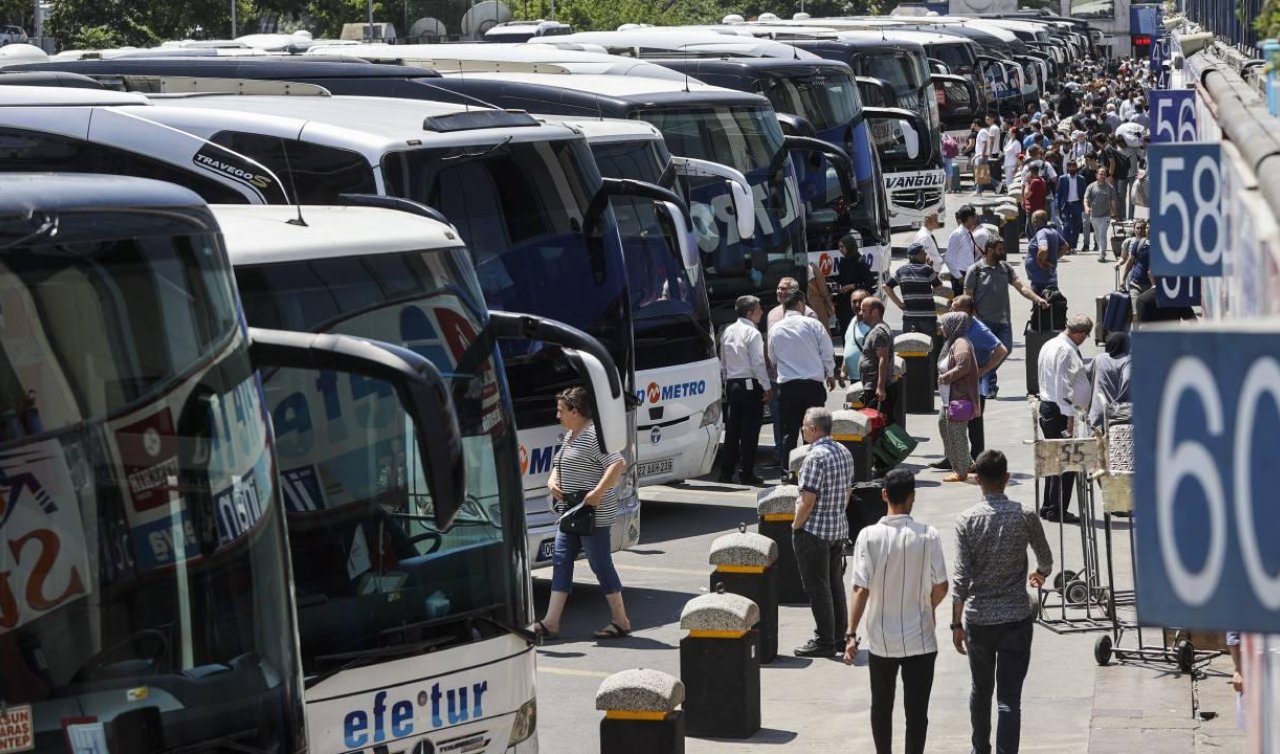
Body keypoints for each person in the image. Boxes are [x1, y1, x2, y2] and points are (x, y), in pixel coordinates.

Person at [951, 450, 1054, 754]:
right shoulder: (1025, 515)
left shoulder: (966, 521)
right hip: (1016, 618)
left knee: (981, 690)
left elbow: (960, 578)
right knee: (1009, 698)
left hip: (979, 619)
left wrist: (956, 623)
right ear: (1007, 478)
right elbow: (1045, 559)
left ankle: (979, 748)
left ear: (977, 480)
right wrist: (1039, 574)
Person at [844, 469, 949, 754]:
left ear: (884, 495)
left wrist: (851, 633)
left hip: (881, 640)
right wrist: (928, 606)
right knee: (917, 713)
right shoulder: (928, 535)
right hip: (922, 640)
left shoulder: (868, 536)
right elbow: (941, 587)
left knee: (881, 706)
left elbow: (860, 589)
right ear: (913, 497)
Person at [534, 387, 631, 640]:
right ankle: (551, 622)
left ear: (574, 411)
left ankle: (621, 620)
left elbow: (617, 463)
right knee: (560, 560)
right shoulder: (570, 435)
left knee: (599, 563)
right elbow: (558, 463)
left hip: (592, 513)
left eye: (561, 410)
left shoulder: (594, 434)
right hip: (572, 511)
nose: (558, 416)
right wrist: (552, 480)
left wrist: (597, 493)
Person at [792, 407, 854, 657]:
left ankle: (825, 641)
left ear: (814, 429)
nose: (803, 429)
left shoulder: (814, 457)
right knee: (835, 585)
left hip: (815, 531)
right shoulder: (844, 451)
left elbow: (807, 500)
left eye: (805, 426)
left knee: (818, 588)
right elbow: (848, 491)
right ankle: (839, 637)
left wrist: (797, 525)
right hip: (838, 528)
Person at [966, 237, 1050, 398]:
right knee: (986, 354)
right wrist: (975, 319)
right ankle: (988, 386)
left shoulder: (1005, 268)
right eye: (999, 249)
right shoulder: (975, 270)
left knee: (1005, 350)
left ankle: (984, 375)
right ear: (989, 250)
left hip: (1004, 321)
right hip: (983, 322)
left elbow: (1021, 287)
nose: (1002, 252)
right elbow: (968, 297)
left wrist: (1037, 299)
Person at [1036, 314, 1094, 524]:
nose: (1085, 339)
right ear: (1079, 333)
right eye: (1085, 335)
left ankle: (1049, 506)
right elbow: (1063, 387)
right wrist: (1070, 419)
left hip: (1050, 407)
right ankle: (1057, 509)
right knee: (1067, 462)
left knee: (1054, 460)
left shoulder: (1050, 344)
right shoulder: (1066, 351)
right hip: (1060, 411)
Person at [768, 289, 836, 463]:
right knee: (814, 431)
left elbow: (772, 358)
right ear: (800, 304)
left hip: (788, 387)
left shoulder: (776, 328)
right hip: (812, 386)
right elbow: (827, 352)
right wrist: (830, 373)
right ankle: (811, 466)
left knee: (788, 432)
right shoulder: (813, 324)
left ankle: (786, 472)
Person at [947, 296, 1008, 463]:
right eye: (952, 308)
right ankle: (952, 457)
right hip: (957, 383)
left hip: (975, 386)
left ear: (971, 312)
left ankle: (976, 459)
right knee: (952, 421)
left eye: (957, 309)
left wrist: (984, 370)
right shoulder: (957, 325)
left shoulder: (979, 330)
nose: (953, 312)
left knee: (974, 425)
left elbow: (1001, 350)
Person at [717, 295, 770, 484]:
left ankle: (726, 472)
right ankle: (746, 473)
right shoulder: (752, 333)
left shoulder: (727, 331)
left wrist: (725, 384)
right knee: (750, 431)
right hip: (749, 384)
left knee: (732, 431)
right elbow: (757, 362)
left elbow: (722, 362)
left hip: (733, 384)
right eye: (758, 309)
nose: (761, 313)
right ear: (750, 312)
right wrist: (766, 386)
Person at [766, 277, 817, 466]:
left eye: (785, 290)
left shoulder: (809, 316)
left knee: (804, 422)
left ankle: (805, 459)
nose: (780, 292)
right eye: (778, 288)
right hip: (777, 377)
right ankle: (782, 456)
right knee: (780, 421)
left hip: (803, 378)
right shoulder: (772, 314)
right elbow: (770, 346)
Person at [935, 312, 981, 482]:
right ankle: (966, 463)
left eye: (943, 324)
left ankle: (961, 471)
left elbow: (963, 366)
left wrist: (946, 377)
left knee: (957, 434)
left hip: (958, 399)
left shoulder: (961, 344)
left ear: (952, 325)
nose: (941, 328)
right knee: (945, 427)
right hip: (949, 398)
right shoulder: (953, 342)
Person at [883, 242, 947, 336]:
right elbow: (939, 288)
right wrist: (931, 267)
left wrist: (899, 304)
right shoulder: (927, 269)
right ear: (916, 255)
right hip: (928, 317)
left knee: (910, 346)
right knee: (929, 346)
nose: (926, 254)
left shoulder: (901, 270)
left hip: (910, 317)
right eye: (923, 252)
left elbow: (886, 286)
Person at [857, 296, 897, 417]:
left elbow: (883, 359)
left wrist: (880, 388)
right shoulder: (878, 329)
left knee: (875, 426)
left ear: (874, 312)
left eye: (863, 310)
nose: (860, 313)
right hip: (872, 385)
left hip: (875, 388)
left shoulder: (878, 332)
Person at [834, 234, 878, 334]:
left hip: (857, 304)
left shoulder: (860, 262)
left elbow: (869, 283)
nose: (840, 250)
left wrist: (853, 286)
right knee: (846, 332)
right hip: (844, 304)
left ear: (849, 246)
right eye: (839, 247)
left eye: (842, 247)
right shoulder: (843, 262)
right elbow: (842, 280)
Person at [1089, 331, 1131, 430]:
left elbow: (1085, 373)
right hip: (1114, 417)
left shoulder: (1099, 358)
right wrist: (1118, 403)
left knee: (1094, 444)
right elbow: (1127, 380)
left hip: (1096, 414)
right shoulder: (1128, 361)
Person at [1025, 211, 1070, 297]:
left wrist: (1042, 262)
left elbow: (1043, 249)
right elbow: (1065, 246)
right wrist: (1055, 257)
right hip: (1050, 278)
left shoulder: (1041, 233)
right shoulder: (1053, 231)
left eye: (1034, 220)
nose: (1033, 223)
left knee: (1040, 306)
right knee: (1051, 305)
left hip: (1040, 281)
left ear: (1037, 221)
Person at [945, 205, 983, 298]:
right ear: (970, 218)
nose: (976, 219)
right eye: (974, 217)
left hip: (968, 274)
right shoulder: (957, 234)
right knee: (962, 307)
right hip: (960, 276)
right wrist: (959, 277)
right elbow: (948, 259)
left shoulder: (967, 233)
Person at [1133, 274, 1198, 326]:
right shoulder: (1178, 297)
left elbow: (1142, 329)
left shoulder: (1143, 299)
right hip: (1174, 340)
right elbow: (1193, 321)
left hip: (1152, 341)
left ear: (1149, 275)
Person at [1083, 167, 1119, 261]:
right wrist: (1086, 207)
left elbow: (1113, 201)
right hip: (1094, 216)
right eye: (1101, 174)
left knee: (1102, 234)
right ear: (1097, 175)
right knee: (1097, 235)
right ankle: (1101, 249)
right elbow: (1086, 199)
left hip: (1106, 216)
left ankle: (1102, 254)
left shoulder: (1110, 187)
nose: (1103, 176)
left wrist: (1115, 214)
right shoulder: (1091, 186)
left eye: (1104, 174)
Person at [840, 289, 872, 384]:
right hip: (854, 378)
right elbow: (850, 346)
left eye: (861, 301)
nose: (858, 305)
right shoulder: (853, 320)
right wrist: (843, 370)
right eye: (854, 302)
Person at [1055, 160, 1086, 252]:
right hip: (1066, 205)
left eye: (1074, 167)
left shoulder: (1081, 179)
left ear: (1076, 167)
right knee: (1067, 225)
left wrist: (1084, 206)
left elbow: (1084, 194)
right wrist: (1058, 206)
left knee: (1076, 227)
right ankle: (1066, 246)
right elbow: (1058, 193)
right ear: (1067, 168)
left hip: (1077, 204)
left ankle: (1073, 246)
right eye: (1070, 167)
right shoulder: (1063, 178)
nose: (1072, 168)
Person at [1021, 165, 1048, 239]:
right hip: (1038, 207)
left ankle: (1036, 245)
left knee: (1031, 230)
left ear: (1031, 172)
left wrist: (1027, 183)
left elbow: (1027, 194)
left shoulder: (1034, 182)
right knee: (1028, 230)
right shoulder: (1042, 180)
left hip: (1033, 208)